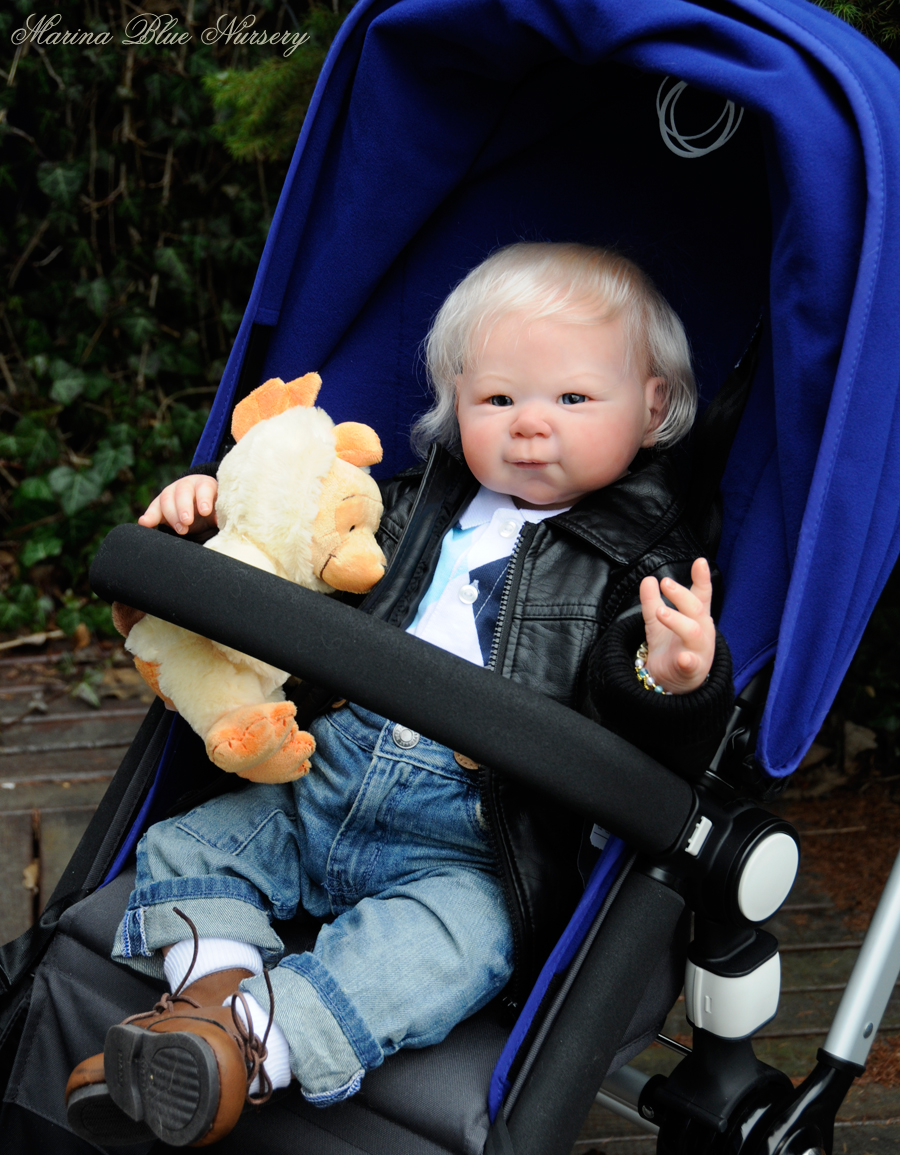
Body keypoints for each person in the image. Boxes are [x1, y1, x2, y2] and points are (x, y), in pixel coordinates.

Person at [66, 242, 733, 1147]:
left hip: (477, 829)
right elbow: (288, 554)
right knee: (188, 845)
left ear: (653, 406)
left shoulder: (644, 565)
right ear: (456, 400)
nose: (530, 425)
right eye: (498, 398)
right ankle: (209, 1022)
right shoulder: (405, 501)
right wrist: (212, 516)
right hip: (326, 768)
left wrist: (673, 676)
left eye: (573, 399)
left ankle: (252, 1044)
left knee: (449, 948)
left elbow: (648, 742)